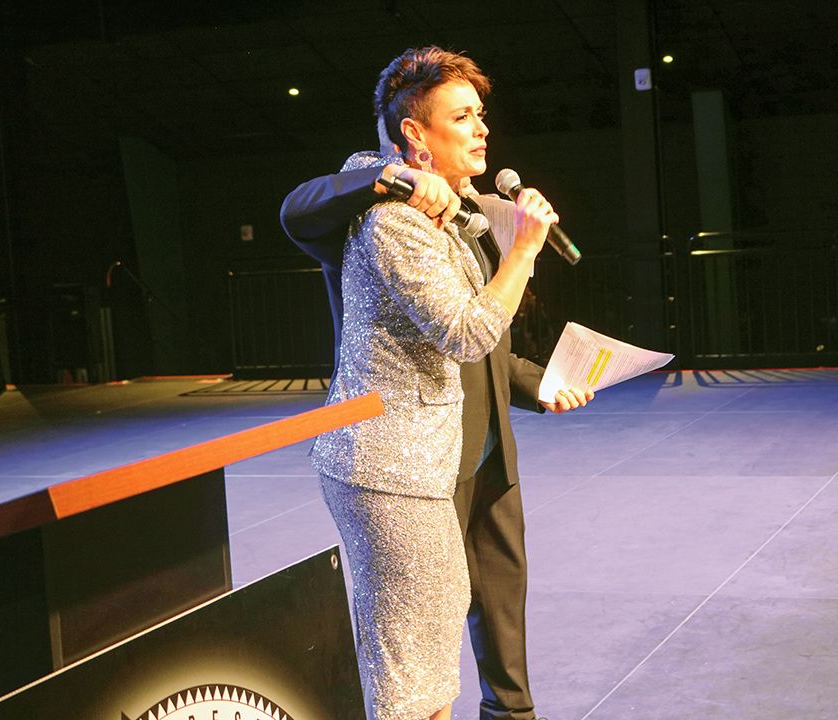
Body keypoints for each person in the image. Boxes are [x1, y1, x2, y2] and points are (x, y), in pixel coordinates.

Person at [286, 47, 591, 720]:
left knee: (431, 661)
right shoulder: (392, 213)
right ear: (415, 134)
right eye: (462, 116)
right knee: (412, 673)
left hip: (448, 446)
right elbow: (467, 333)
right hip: (397, 463)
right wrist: (523, 251)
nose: (482, 128)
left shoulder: (463, 213)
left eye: (481, 114)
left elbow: (486, 342)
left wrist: (537, 378)